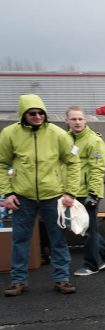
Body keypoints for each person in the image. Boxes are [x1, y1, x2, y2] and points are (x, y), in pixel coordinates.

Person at [1, 94, 80, 297]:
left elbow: (73, 163)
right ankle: (18, 281)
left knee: (58, 239)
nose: (37, 116)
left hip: (53, 196)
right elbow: (1, 163)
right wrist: (7, 193)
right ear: (23, 115)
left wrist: (71, 192)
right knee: (20, 240)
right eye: (32, 113)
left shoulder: (58, 134)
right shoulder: (9, 134)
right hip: (22, 196)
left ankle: (62, 279)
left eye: (40, 113)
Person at [65, 106, 105, 277]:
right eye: (73, 119)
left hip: (87, 192)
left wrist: (94, 194)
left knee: (88, 229)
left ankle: (92, 264)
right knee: (79, 227)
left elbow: (97, 169)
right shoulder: (64, 139)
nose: (77, 122)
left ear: (85, 120)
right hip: (71, 192)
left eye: (80, 119)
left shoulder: (94, 141)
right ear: (67, 121)